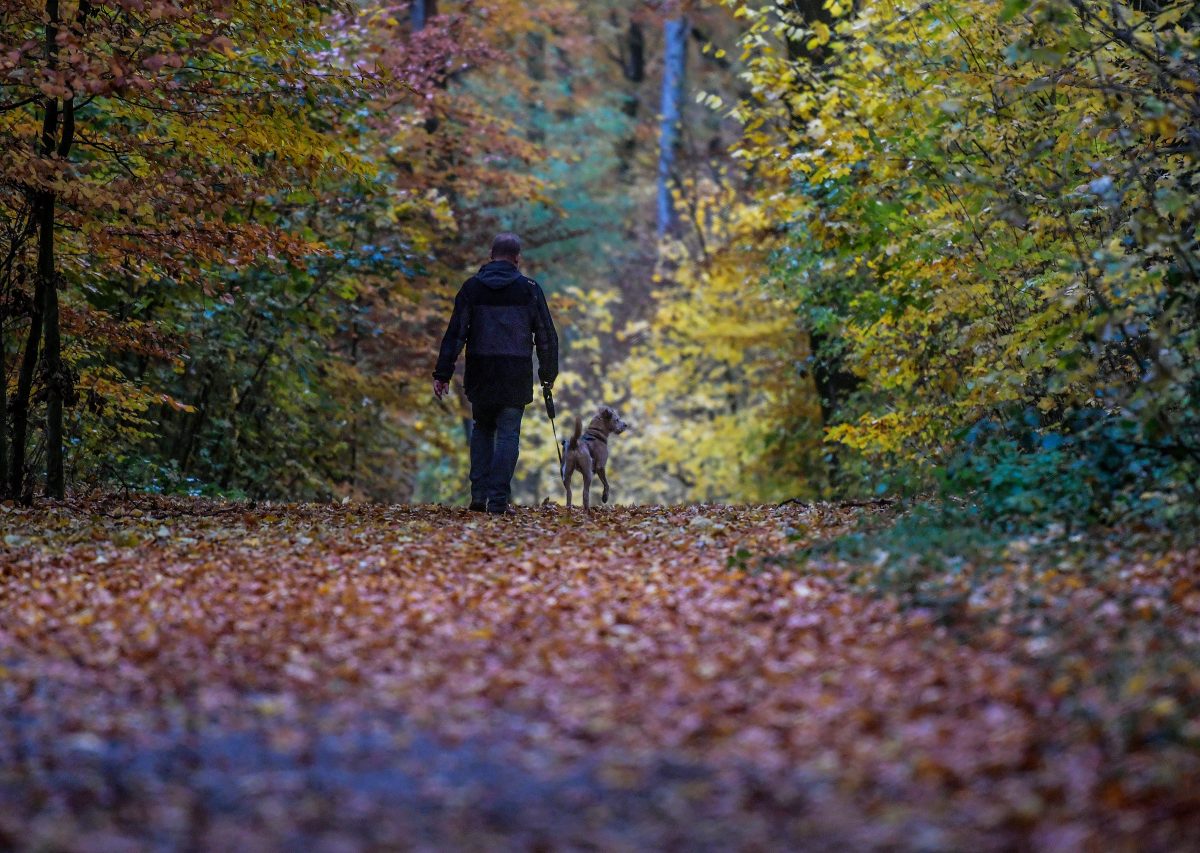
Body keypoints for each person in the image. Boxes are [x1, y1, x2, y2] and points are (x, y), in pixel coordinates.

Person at [433, 233, 559, 514]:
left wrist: (442, 373)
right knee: (508, 434)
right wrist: (548, 374)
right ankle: (498, 500)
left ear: (490, 255)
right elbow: (546, 335)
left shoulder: (471, 289)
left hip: (481, 370)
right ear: (517, 259)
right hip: (515, 372)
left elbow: (455, 333)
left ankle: (479, 495)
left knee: (482, 429)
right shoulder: (529, 289)